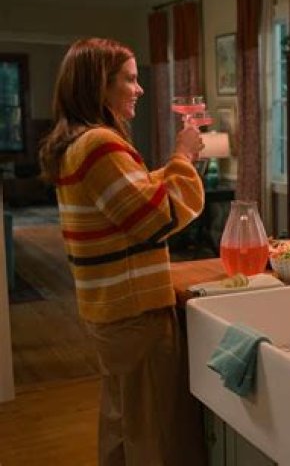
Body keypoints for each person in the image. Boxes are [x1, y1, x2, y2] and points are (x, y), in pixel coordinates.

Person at [38, 38, 207, 465]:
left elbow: (132, 196)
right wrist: (183, 156)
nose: (140, 88)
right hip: (135, 313)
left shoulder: (76, 143)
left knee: (123, 425)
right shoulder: (100, 144)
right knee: (156, 433)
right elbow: (155, 218)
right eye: (130, 79)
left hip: (108, 310)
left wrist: (177, 165)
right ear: (100, 84)